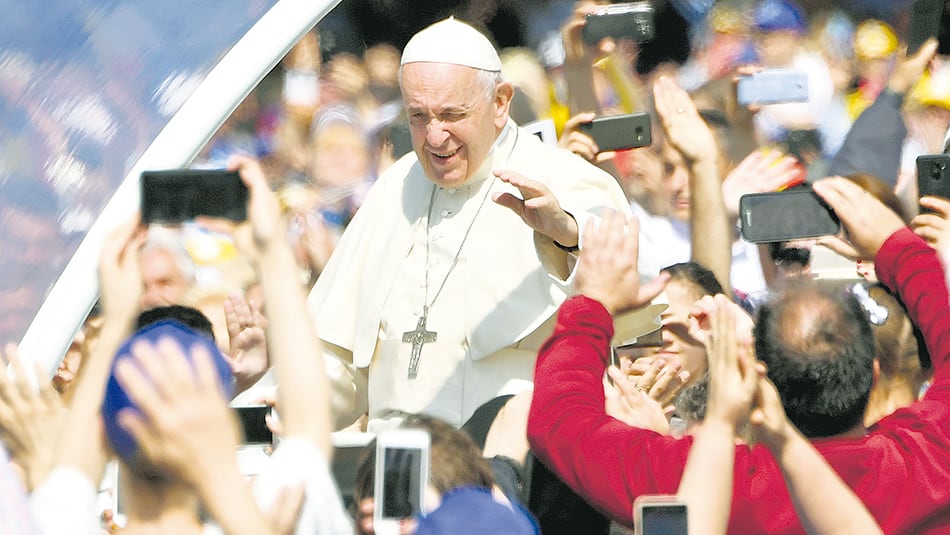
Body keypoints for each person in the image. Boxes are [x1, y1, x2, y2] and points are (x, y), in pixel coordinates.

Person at [527, 177, 950, 532]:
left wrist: (593, 304)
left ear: (760, 383)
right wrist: (900, 248)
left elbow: (559, 419)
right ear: (872, 375)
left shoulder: (699, 478)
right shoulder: (930, 458)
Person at [306, 17, 641, 431]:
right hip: (396, 456)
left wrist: (566, 234)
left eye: (452, 114)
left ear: (500, 102)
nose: (434, 137)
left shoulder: (560, 175)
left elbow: (630, 264)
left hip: (515, 455)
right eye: (418, 116)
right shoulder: (393, 186)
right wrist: (286, 406)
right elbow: (338, 357)